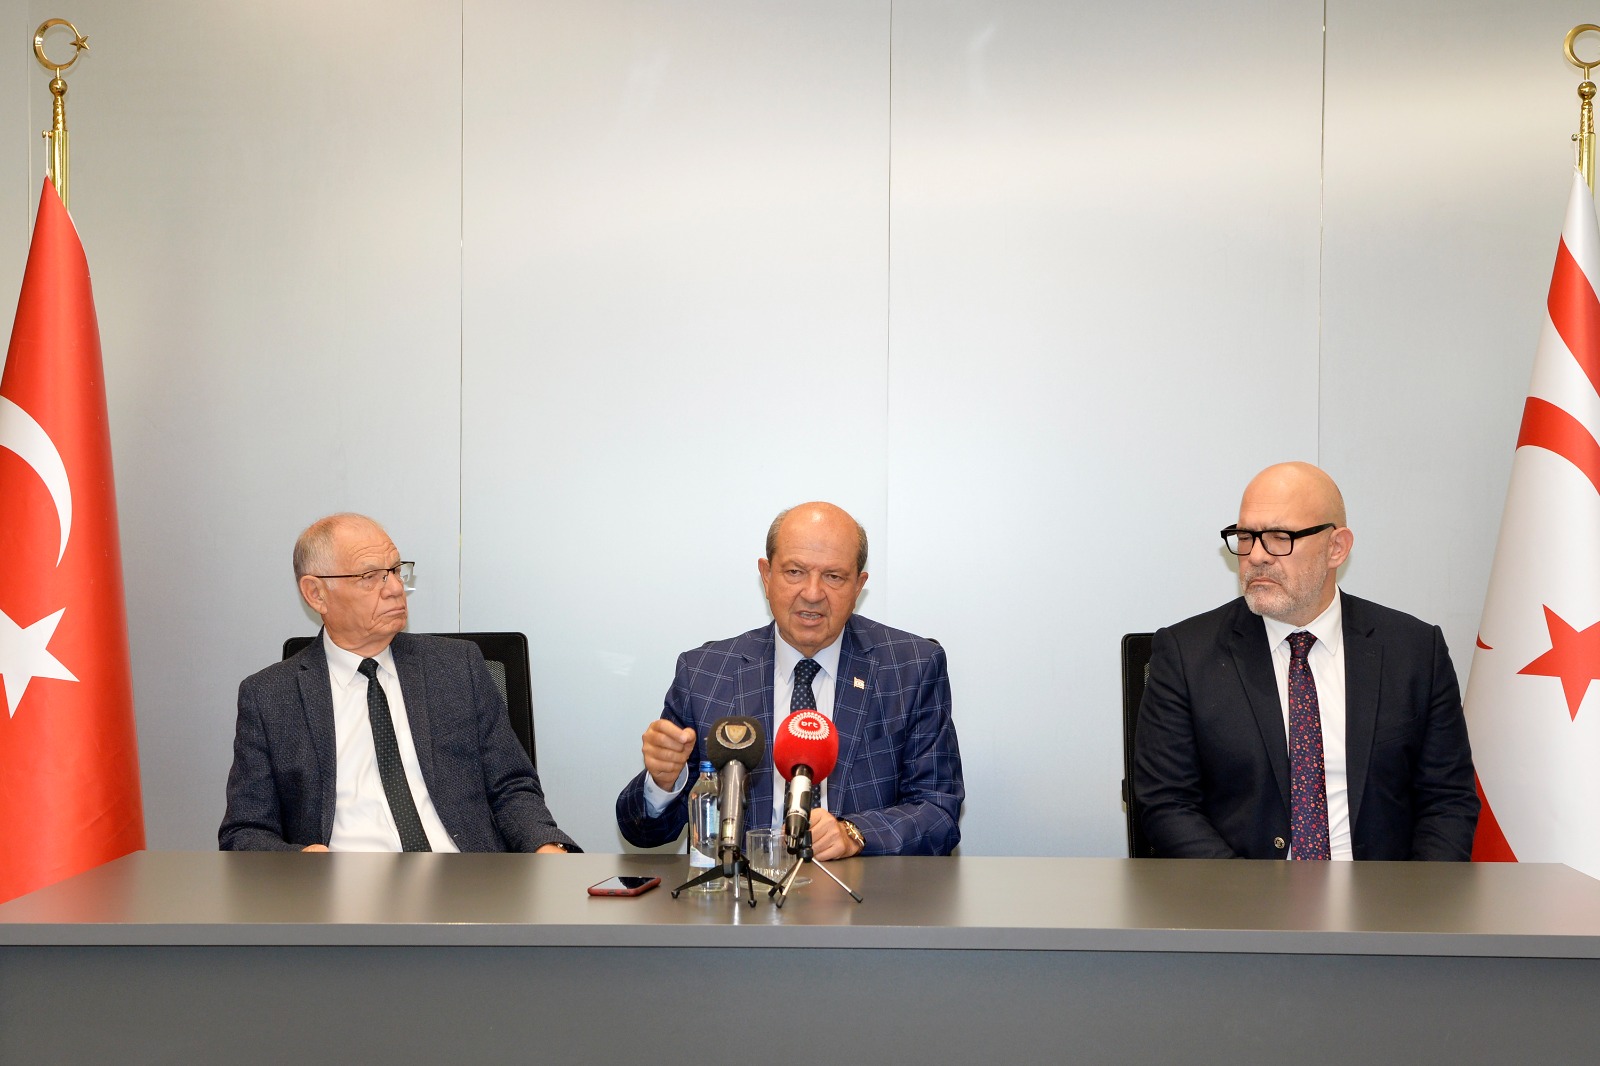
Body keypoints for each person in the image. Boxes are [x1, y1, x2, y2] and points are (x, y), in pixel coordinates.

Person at [1133, 462, 1478, 860]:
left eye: (1280, 538)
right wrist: (1247, 893)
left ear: (1336, 548)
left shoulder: (1414, 651)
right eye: (1245, 537)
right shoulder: (1185, 654)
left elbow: (1448, 801)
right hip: (1241, 889)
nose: (1256, 556)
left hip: (1382, 892)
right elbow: (1167, 803)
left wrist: (1414, 895)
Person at [616, 502, 963, 858]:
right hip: (743, 887)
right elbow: (642, 832)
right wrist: (663, 782)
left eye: (834, 576)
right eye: (795, 572)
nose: (812, 593)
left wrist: (854, 834)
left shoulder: (910, 668)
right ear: (766, 576)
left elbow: (938, 813)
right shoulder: (704, 673)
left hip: (860, 888)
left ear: (858, 586)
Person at [220, 513, 578, 853]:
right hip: (344, 883)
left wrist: (546, 846)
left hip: (462, 877)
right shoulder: (270, 697)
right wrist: (299, 861)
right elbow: (246, 831)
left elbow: (511, 787)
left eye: (395, 571)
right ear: (316, 593)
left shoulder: (457, 667)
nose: (395, 589)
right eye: (370, 576)